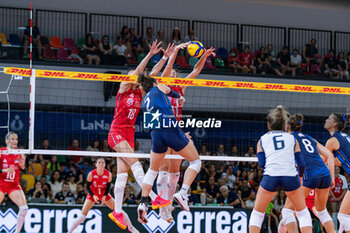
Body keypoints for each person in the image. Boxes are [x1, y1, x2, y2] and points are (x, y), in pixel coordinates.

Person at [108, 40, 170, 229]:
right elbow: (136, 73)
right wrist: (149, 55)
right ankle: (153, 197)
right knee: (137, 165)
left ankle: (117, 212)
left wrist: (165, 58)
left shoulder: (138, 92)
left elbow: (151, 75)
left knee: (122, 176)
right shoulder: (124, 88)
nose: (132, 76)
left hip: (129, 133)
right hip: (117, 132)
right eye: (130, 75)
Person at [153, 43, 215, 222]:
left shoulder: (180, 87)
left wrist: (204, 56)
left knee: (174, 174)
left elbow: (195, 71)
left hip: (177, 132)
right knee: (163, 170)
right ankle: (163, 208)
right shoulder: (161, 87)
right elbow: (169, 67)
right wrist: (175, 53)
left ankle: (169, 207)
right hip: (163, 130)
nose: (172, 74)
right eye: (170, 73)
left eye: (174, 74)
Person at [136, 69, 204, 223]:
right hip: (170, 129)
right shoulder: (159, 87)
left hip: (156, 134)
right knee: (196, 161)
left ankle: (143, 203)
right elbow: (172, 92)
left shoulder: (145, 99)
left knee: (152, 170)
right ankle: (183, 193)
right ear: (154, 82)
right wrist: (180, 97)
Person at [248, 106, 312, 233]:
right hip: (290, 177)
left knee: (258, 213)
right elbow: (302, 164)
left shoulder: (262, 140)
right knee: (302, 212)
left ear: (268, 125)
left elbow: (261, 164)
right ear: (286, 126)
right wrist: (299, 177)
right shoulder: (292, 139)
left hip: (271, 176)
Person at [278, 113, 335, 233]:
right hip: (325, 175)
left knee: (288, 211)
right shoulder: (309, 138)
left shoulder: (288, 139)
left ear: (287, 126)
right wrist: (332, 178)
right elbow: (329, 155)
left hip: (309, 175)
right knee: (322, 211)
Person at [68, 158, 139, 233]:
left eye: (102, 162)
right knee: (82, 217)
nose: (101, 164)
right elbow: (87, 187)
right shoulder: (91, 174)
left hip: (104, 194)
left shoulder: (109, 174)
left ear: (105, 165)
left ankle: (131, 228)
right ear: (96, 164)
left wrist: (105, 195)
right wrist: (93, 195)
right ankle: (69, 232)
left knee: (119, 210)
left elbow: (108, 186)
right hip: (93, 195)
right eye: (99, 162)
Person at [324, 113, 350, 233]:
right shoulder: (345, 137)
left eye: (329, 118)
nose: (326, 119)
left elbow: (321, 160)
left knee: (343, 216)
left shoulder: (332, 141)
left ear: (334, 124)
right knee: (344, 216)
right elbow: (341, 161)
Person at [0, 132, 27, 233]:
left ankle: (17, 232)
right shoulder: (1, 152)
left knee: (24, 208)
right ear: (7, 141)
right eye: (12, 139)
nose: (15, 141)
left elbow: (23, 168)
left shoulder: (20, 152)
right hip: (1, 183)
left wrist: (22, 161)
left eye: (16, 139)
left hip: (13, 185)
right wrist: (4, 170)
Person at [329, 166, 348, 231]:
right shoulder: (331, 177)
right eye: (335, 169)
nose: (336, 170)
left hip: (341, 196)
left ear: (339, 170)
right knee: (334, 211)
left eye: (337, 169)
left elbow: (345, 189)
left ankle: (343, 229)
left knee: (341, 213)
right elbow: (329, 189)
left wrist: (340, 197)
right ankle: (335, 229)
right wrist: (334, 197)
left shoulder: (343, 177)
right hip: (333, 196)